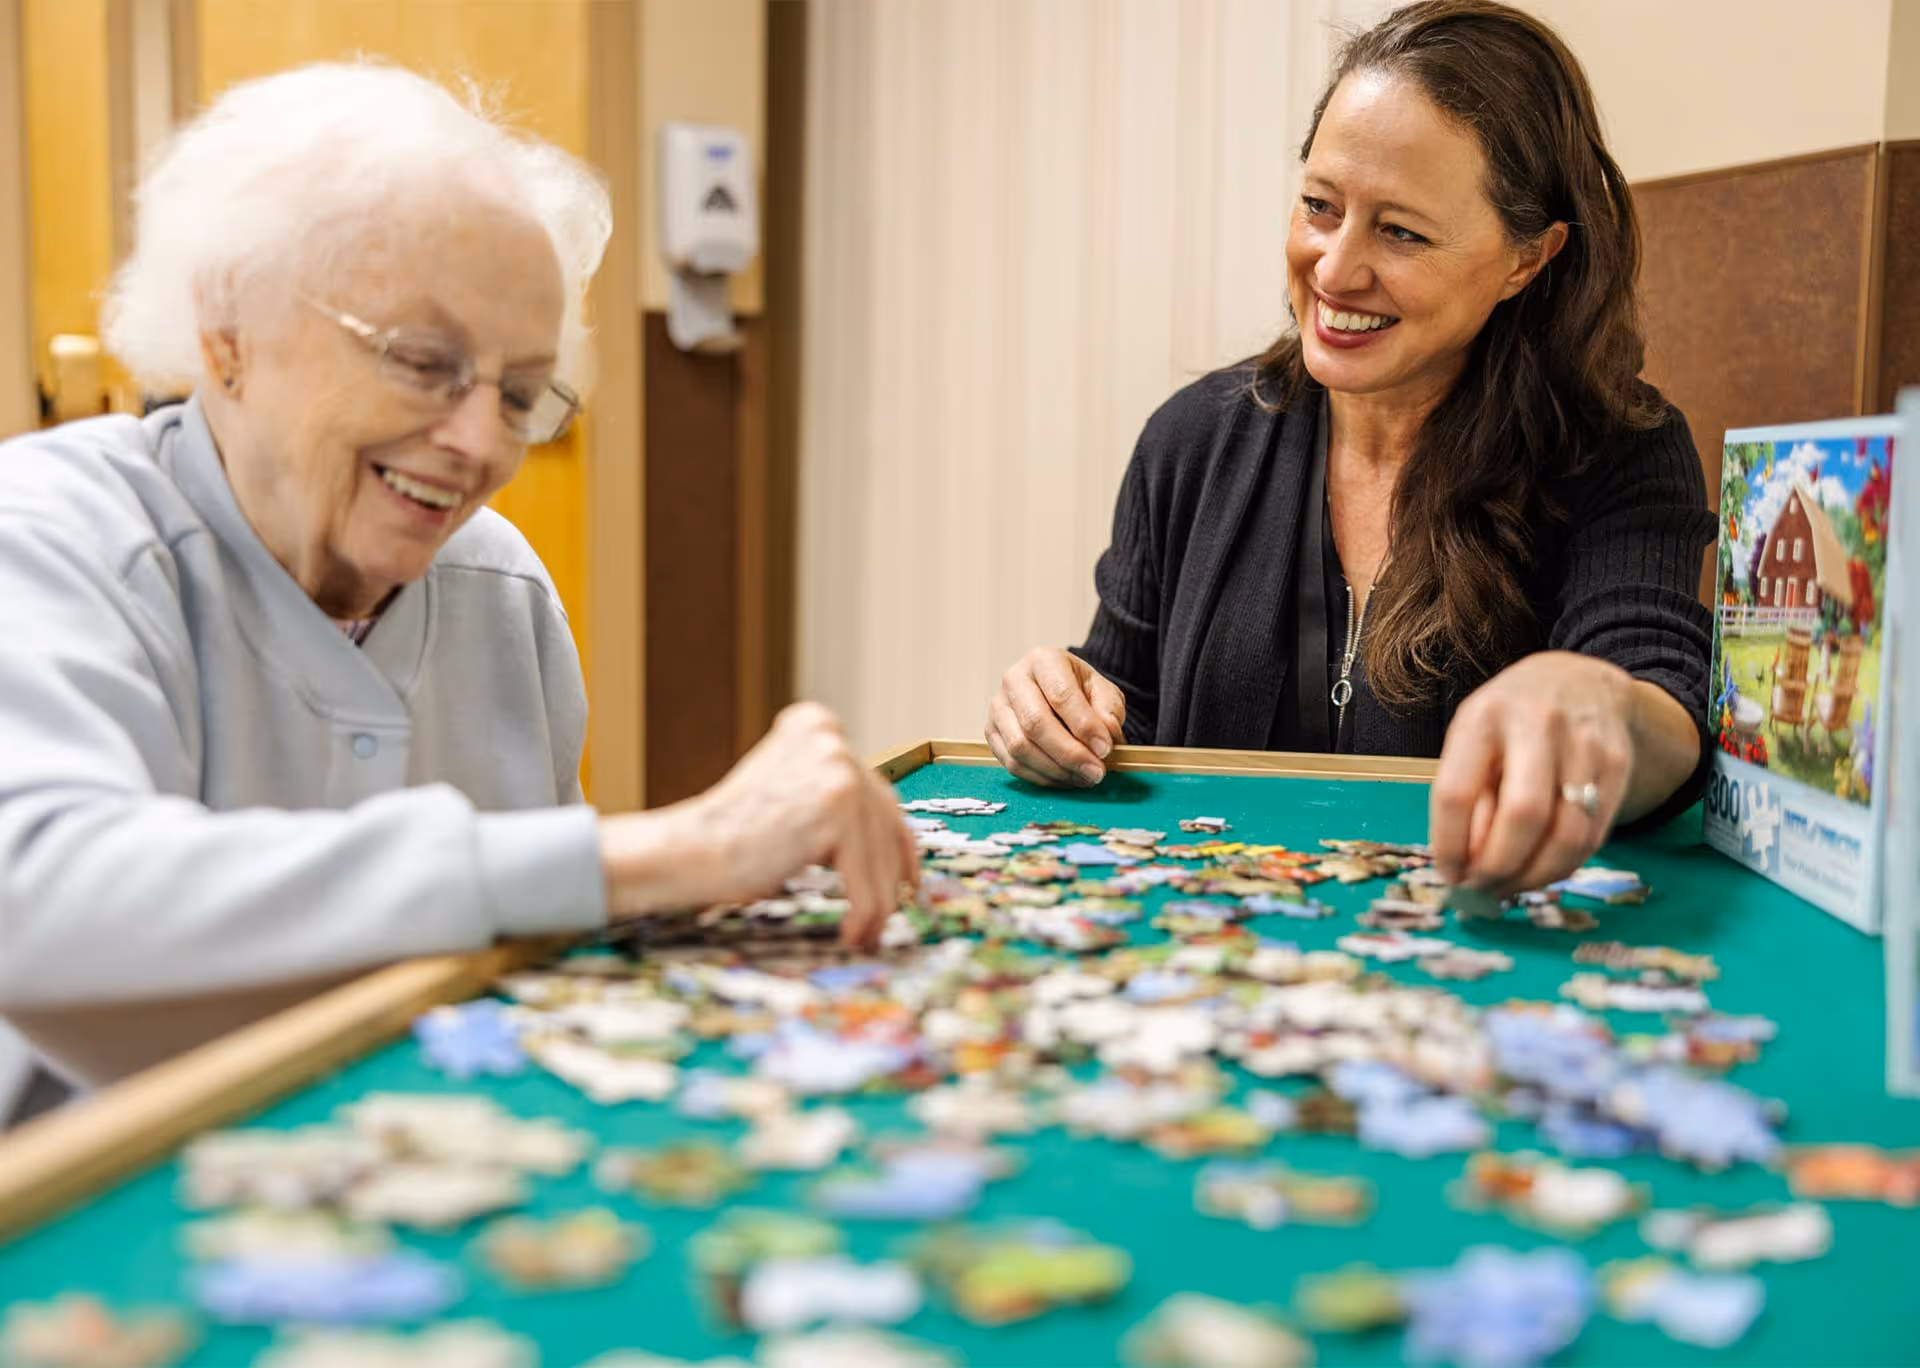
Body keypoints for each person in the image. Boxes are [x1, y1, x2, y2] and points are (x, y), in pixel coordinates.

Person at [0, 62, 912, 1091]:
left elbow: (515, 961)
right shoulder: (43, 528)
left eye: (522, 394)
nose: (480, 444)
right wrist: (675, 850)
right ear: (228, 334)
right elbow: (36, 900)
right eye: (423, 362)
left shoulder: (499, 587)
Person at [985, 0, 1714, 897]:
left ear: (1528, 258)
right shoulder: (1190, 440)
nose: (1334, 269)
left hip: (1483, 971)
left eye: (1401, 231)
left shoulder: (1621, 451)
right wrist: (1058, 705)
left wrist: (1602, 704)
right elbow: (1121, 700)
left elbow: (1664, 718)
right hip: (1218, 964)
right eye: (1320, 206)